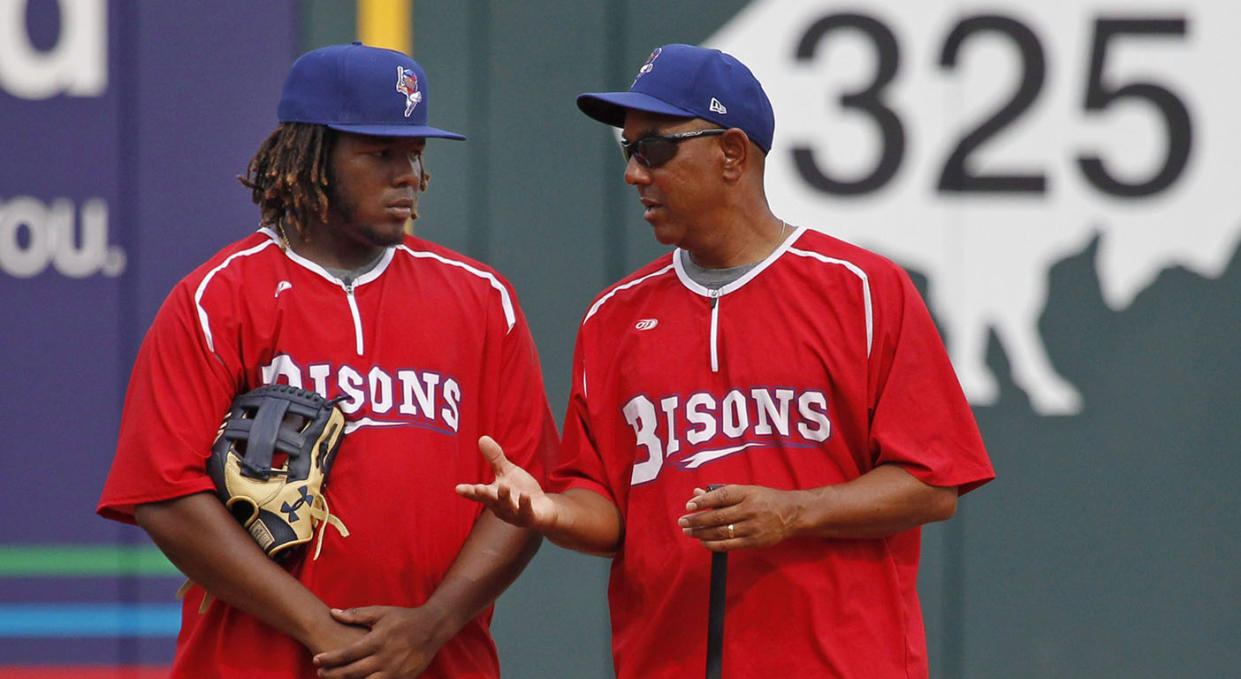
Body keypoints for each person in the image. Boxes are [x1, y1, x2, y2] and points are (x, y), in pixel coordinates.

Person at [456, 43, 995, 678]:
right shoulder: (614, 317)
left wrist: (796, 510)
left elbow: (933, 483)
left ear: (732, 154)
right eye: (627, 150)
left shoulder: (862, 289)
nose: (634, 173)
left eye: (654, 148)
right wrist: (549, 512)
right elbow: (604, 508)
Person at [97, 43, 558, 679]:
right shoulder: (219, 298)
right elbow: (165, 494)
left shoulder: (481, 299)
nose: (409, 174)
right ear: (311, 157)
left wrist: (432, 625)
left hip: (437, 661)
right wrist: (322, 629)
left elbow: (524, 489)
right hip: (253, 663)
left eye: (415, 153)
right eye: (380, 154)